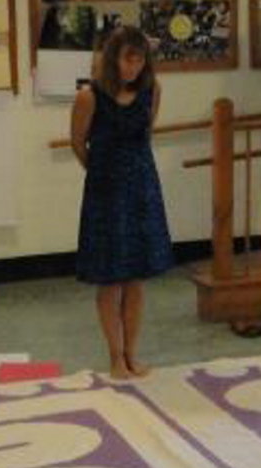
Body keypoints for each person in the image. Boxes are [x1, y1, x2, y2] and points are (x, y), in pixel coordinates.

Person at [71, 26, 174, 380]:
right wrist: (102, 174)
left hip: (142, 189)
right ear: (113, 58)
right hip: (105, 194)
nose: (133, 66)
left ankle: (132, 354)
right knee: (110, 279)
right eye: (127, 58)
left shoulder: (151, 92)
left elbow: (146, 135)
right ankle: (115, 358)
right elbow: (78, 143)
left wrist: (131, 175)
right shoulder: (89, 97)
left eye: (140, 58)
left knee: (136, 280)